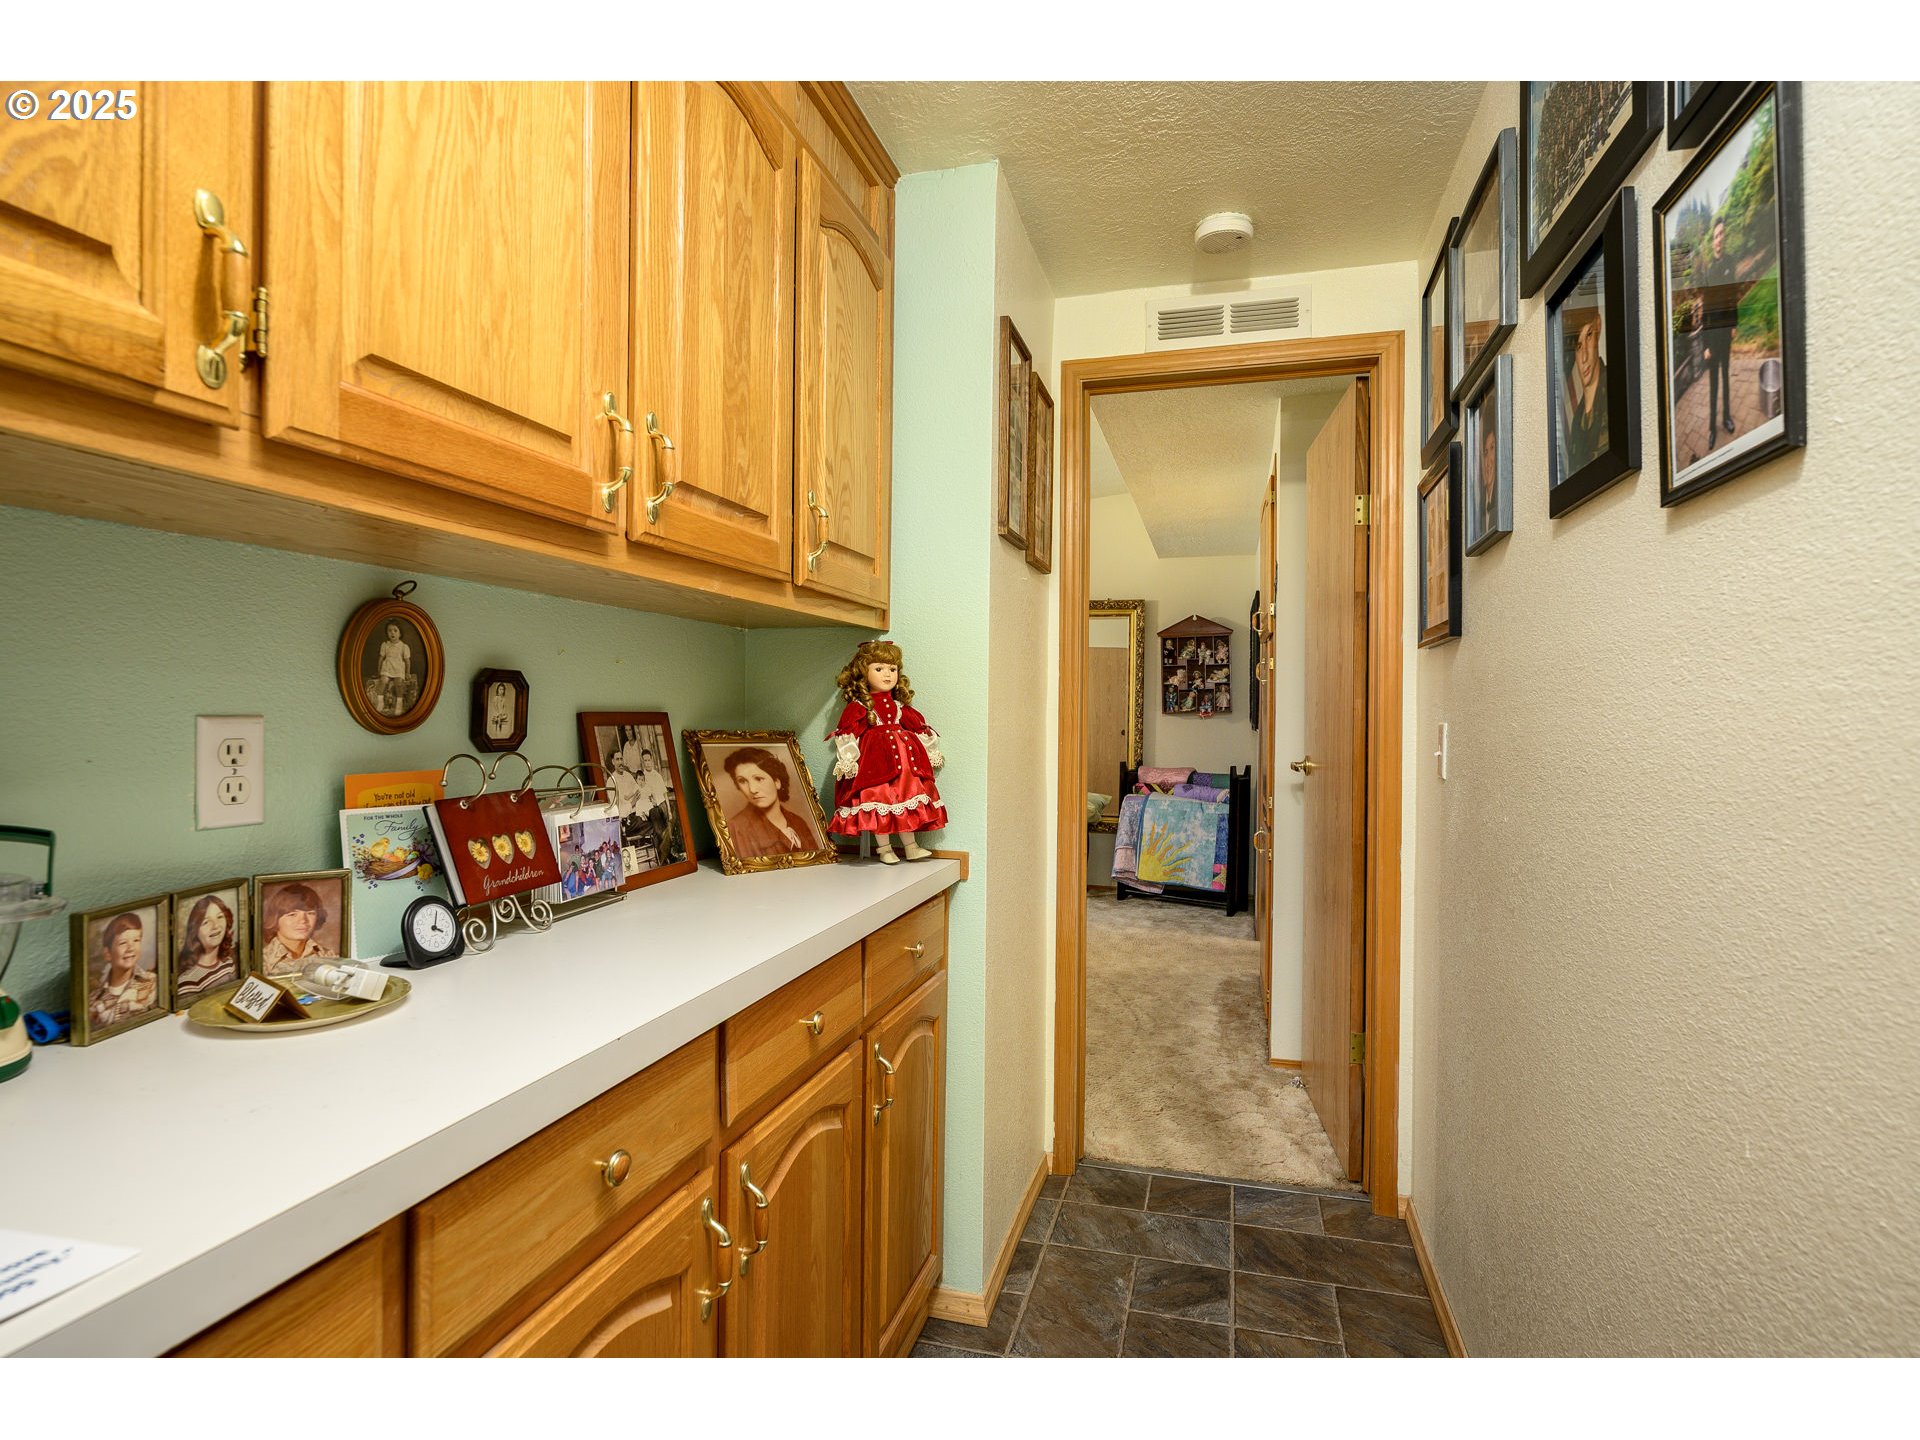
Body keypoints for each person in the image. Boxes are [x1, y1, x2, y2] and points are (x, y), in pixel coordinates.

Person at [825, 638, 948, 865]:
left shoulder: (900, 706)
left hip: (905, 766)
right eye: (879, 669)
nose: (887, 674)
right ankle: (884, 849)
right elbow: (847, 734)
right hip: (875, 766)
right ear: (864, 673)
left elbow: (919, 726)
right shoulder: (860, 707)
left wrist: (930, 751)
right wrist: (849, 760)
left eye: (892, 669)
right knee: (878, 800)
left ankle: (910, 847)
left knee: (906, 798)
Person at [723, 748, 820, 859]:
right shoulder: (737, 828)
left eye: (758, 779)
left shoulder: (798, 822)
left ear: (777, 782)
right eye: (742, 781)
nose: (752, 789)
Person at [1700, 217, 1742, 440]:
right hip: (1712, 338)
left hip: (1726, 332)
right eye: (1716, 236)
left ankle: (1727, 417)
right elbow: (1705, 310)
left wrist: (1734, 324)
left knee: (1726, 376)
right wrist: (1705, 345)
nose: (1719, 239)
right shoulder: (1708, 272)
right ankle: (1711, 429)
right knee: (1713, 382)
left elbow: (1733, 295)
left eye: (1722, 234)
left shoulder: (1730, 263)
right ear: (1712, 241)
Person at [88, 911, 158, 1028]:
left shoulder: (152, 982)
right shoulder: (93, 1000)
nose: (131, 948)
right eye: (123, 943)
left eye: (136, 940)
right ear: (107, 954)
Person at [1563, 311, 1609, 473]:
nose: (1584, 358)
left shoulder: (1613, 394)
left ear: (1598, 325)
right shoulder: (1576, 422)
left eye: (1588, 335)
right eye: (1578, 346)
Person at [260, 882, 335, 976]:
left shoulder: (328, 956)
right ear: (275, 918)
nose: (303, 921)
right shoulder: (262, 960)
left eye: (310, 913)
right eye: (292, 914)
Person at [175, 892, 239, 1002]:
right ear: (195, 931)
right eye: (205, 922)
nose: (215, 926)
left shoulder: (228, 963)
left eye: (219, 917)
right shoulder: (187, 981)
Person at [633, 747, 681, 865]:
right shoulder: (641, 777)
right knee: (659, 825)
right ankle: (668, 855)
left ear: (652, 760)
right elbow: (642, 795)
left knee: (672, 816)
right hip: (652, 808)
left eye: (649, 760)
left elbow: (665, 794)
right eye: (645, 761)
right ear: (642, 762)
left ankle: (667, 854)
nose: (647, 763)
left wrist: (669, 810)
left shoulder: (657, 775)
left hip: (663, 804)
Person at [376, 622, 411, 716]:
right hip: (387, 667)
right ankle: (380, 701)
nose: (392, 633)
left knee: (398, 682)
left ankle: (399, 703)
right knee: (383, 680)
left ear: (400, 633)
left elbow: (407, 661)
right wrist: (379, 670)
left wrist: (407, 673)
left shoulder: (404, 646)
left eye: (395, 630)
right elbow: (381, 658)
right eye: (389, 631)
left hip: (398, 668)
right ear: (387, 633)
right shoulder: (385, 645)